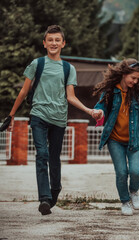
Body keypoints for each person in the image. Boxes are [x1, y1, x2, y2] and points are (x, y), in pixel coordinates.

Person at [4, 25, 97, 215]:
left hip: (59, 118)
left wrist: (89, 110)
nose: (53, 43)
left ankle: (55, 190)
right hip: (38, 114)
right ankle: (44, 198)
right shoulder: (36, 64)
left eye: (57, 40)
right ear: (44, 43)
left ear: (63, 43)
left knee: (54, 157)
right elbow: (24, 91)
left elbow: (70, 96)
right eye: (50, 40)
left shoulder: (68, 68)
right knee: (42, 154)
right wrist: (11, 115)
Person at [92, 58, 139, 216]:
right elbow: (101, 106)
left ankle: (133, 191)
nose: (135, 81)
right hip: (115, 140)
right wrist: (98, 112)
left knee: (136, 172)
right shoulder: (111, 91)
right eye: (133, 78)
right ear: (124, 74)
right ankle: (125, 202)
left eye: (138, 78)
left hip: (136, 140)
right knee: (122, 172)